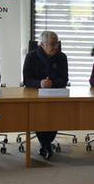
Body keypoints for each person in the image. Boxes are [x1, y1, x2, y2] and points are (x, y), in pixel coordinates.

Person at [23, 31, 69, 159]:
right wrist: (40, 83)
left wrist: (52, 83)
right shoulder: (31, 56)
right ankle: (46, 144)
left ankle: (46, 144)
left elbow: (64, 79)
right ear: (42, 45)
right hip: (36, 94)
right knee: (39, 113)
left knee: (56, 113)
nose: (55, 47)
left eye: (57, 44)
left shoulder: (61, 57)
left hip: (55, 93)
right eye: (52, 44)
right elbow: (26, 79)